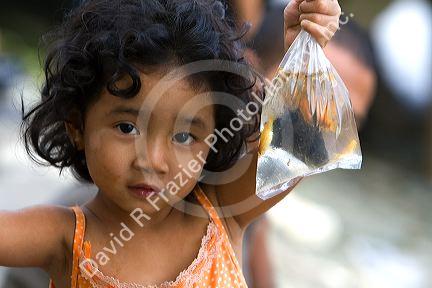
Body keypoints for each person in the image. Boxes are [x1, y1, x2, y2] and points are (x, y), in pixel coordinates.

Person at [0, 0, 341, 287]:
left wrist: (304, 50)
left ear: (212, 139)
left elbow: (299, 147)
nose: (153, 160)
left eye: (184, 137)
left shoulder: (222, 213)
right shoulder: (63, 237)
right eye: (126, 127)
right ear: (76, 125)